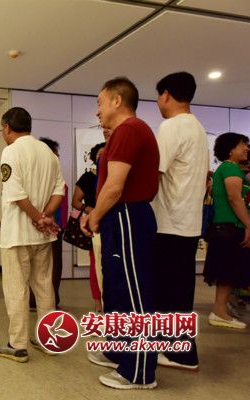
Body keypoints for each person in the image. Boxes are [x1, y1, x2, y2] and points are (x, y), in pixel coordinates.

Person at [81, 77, 159, 389]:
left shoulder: (130, 129)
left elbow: (115, 187)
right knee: (115, 289)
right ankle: (117, 351)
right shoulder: (123, 132)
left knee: (133, 293)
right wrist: (99, 216)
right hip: (119, 217)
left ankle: (139, 371)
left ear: (117, 100)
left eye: (100, 103)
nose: (97, 111)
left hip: (127, 215)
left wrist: (94, 216)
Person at [0, 107, 65, 363]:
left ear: (7, 128)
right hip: (42, 236)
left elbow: (16, 193)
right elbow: (59, 191)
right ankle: (49, 340)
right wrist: (46, 216)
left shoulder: (11, 151)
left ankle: (18, 344)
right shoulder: (48, 153)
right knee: (44, 287)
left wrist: (36, 217)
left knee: (16, 289)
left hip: (17, 235)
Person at [151, 71, 209, 371]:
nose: (159, 102)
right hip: (188, 223)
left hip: (168, 222)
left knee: (166, 291)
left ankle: (179, 354)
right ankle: (182, 349)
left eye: (159, 96)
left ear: (166, 95)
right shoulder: (197, 127)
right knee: (181, 291)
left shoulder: (172, 126)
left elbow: (154, 173)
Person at [203, 132, 250, 329]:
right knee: (228, 271)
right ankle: (219, 312)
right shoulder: (230, 168)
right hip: (229, 228)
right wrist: (249, 224)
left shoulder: (227, 168)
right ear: (230, 150)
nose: (246, 148)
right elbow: (234, 198)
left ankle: (220, 311)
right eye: (242, 145)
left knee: (228, 272)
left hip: (227, 227)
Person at [29, 138, 68, 311]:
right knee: (43, 267)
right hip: (44, 225)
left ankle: (52, 299)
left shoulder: (55, 174)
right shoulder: (41, 175)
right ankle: (38, 300)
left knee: (54, 265)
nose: (57, 158)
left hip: (54, 226)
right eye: (55, 154)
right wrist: (43, 218)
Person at [72, 142, 105, 312]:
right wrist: (89, 209)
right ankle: (98, 301)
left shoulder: (115, 175)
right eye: (99, 154)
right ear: (93, 158)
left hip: (114, 223)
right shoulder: (87, 178)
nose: (102, 157)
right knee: (96, 264)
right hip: (95, 225)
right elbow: (75, 201)